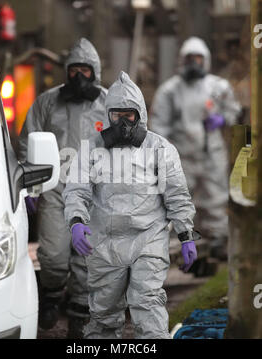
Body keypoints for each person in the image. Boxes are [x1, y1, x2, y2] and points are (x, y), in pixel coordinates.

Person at [63, 71, 199, 339]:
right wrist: (77, 222)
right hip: (104, 243)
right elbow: (76, 189)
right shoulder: (91, 149)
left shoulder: (160, 148)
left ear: (140, 114)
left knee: (148, 307)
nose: (123, 121)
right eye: (117, 115)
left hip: (148, 239)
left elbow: (177, 195)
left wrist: (186, 235)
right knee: (103, 316)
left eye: (129, 114)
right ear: (108, 115)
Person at [17, 38, 108, 337]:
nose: (78, 76)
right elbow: (27, 142)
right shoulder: (47, 102)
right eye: (73, 70)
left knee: (88, 256)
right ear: (66, 72)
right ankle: (52, 294)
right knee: (54, 255)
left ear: (95, 71)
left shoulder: (109, 103)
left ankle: (81, 314)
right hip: (55, 188)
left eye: (85, 69)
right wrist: (29, 186)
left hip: (95, 193)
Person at [150, 37, 241, 260]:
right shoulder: (169, 91)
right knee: (177, 199)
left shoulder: (218, 87)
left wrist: (222, 119)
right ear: (182, 60)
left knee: (216, 197)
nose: (194, 63)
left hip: (212, 153)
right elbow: (158, 125)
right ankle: (176, 242)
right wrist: (165, 154)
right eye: (190, 59)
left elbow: (234, 111)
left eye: (199, 58)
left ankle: (217, 239)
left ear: (206, 60)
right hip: (181, 157)